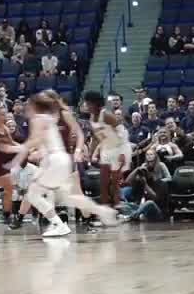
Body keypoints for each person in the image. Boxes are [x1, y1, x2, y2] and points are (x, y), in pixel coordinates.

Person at [9, 92, 117, 239]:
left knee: (36, 193)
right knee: (66, 197)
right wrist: (36, 153)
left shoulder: (51, 116)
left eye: (29, 105)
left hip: (58, 160)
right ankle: (100, 211)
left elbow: (36, 140)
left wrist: (16, 154)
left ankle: (61, 224)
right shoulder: (50, 118)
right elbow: (41, 142)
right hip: (57, 159)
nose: (26, 108)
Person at [85, 91, 129, 208]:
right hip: (106, 150)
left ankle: (119, 208)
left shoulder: (106, 115)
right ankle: (105, 210)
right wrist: (90, 153)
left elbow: (122, 131)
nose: (87, 106)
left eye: (89, 104)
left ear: (96, 104)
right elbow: (95, 137)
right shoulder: (91, 117)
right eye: (86, 103)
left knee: (115, 182)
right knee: (103, 183)